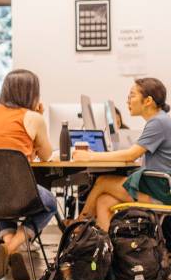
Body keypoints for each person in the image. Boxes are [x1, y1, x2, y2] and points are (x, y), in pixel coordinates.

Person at [0, 69, 58, 280]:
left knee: (1, 204)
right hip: (18, 189)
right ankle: (12, 247)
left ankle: (8, 247)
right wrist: (40, 116)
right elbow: (45, 156)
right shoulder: (33, 117)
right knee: (50, 203)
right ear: (32, 92)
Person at [73, 78, 171, 230]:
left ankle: (77, 229)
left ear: (148, 101)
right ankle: (111, 251)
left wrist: (89, 156)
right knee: (104, 201)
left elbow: (130, 155)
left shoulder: (158, 122)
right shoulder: (161, 120)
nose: (127, 101)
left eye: (131, 96)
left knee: (103, 181)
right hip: (159, 187)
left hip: (161, 193)